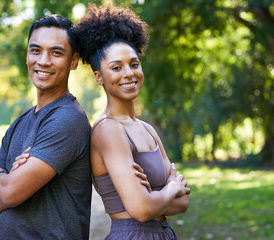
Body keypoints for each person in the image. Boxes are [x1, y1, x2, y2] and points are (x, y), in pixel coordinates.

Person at [74, 4, 190, 239]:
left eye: (134, 64)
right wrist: (170, 188)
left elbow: (183, 203)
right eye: (116, 67)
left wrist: (154, 198)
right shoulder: (108, 130)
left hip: (162, 233)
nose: (129, 73)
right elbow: (141, 209)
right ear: (99, 77)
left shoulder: (146, 129)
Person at [0, 14, 92, 239]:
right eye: (36, 50)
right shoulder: (20, 123)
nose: (43, 61)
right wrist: (9, 178)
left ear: (74, 61)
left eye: (56, 52)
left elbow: (8, 194)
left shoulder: (67, 119)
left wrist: (0, 178)